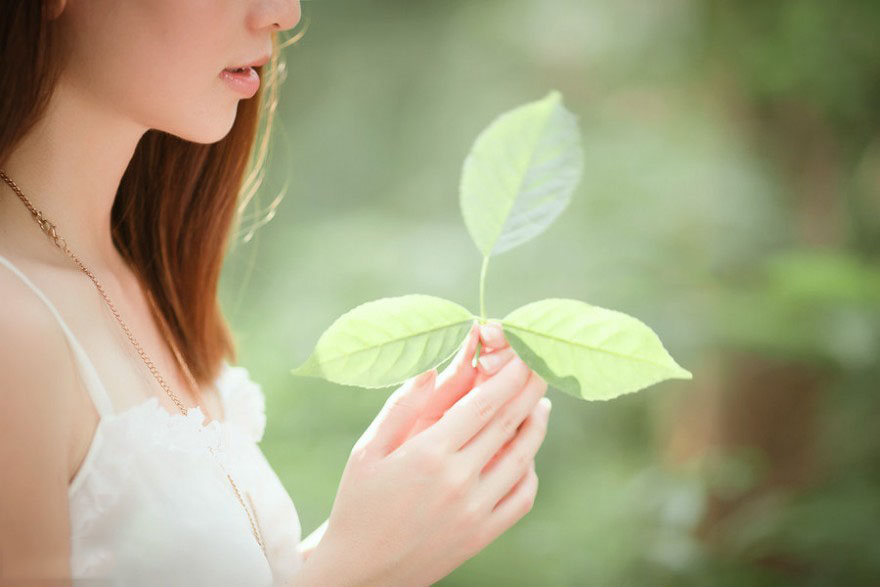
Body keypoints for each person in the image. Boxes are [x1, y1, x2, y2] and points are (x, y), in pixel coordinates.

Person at [0, 1, 552, 585]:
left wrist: (391, 522)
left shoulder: (129, 273)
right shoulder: (15, 329)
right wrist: (359, 569)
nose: (284, 12)